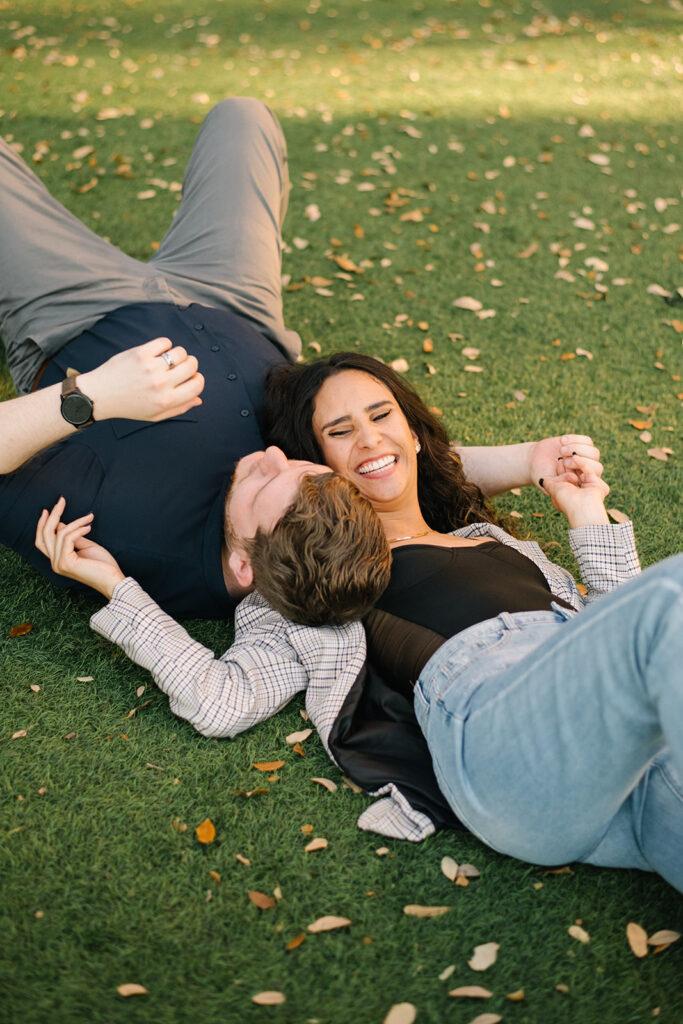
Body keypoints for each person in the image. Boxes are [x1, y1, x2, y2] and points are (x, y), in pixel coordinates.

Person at [2, 97, 602, 618]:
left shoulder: (126, 532)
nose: (273, 454)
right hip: (237, 303)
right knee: (244, 119)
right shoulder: (309, 509)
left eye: (267, 478)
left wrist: (94, 397)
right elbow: (390, 464)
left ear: (243, 567)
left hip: (80, 313)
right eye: (302, 464)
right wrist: (530, 461)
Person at [263, 352, 683, 892]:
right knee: (670, 594)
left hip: (599, 769)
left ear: (414, 436)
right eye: (340, 431)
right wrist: (121, 593)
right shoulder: (327, 579)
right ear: (319, 469)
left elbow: (634, 649)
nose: (369, 440)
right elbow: (223, 699)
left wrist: (585, 513)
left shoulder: (490, 542)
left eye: (381, 416)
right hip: (497, 747)